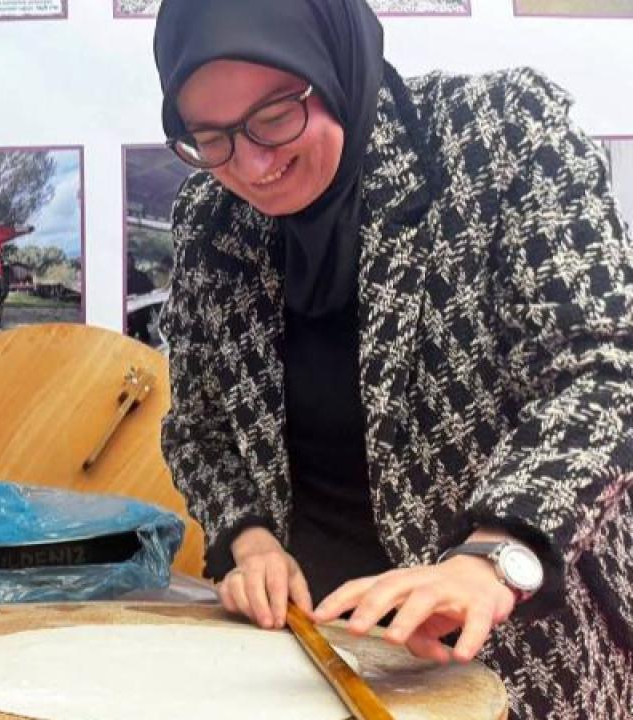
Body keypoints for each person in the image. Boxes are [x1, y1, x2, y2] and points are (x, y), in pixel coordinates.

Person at [153, 1, 633, 717]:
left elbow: (603, 367)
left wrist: (497, 555)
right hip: (310, 649)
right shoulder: (209, 218)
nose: (253, 165)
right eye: (211, 136)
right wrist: (247, 541)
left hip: (510, 636)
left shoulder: (499, 136)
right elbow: (200, 426)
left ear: (333, 65)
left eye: (275, 115)